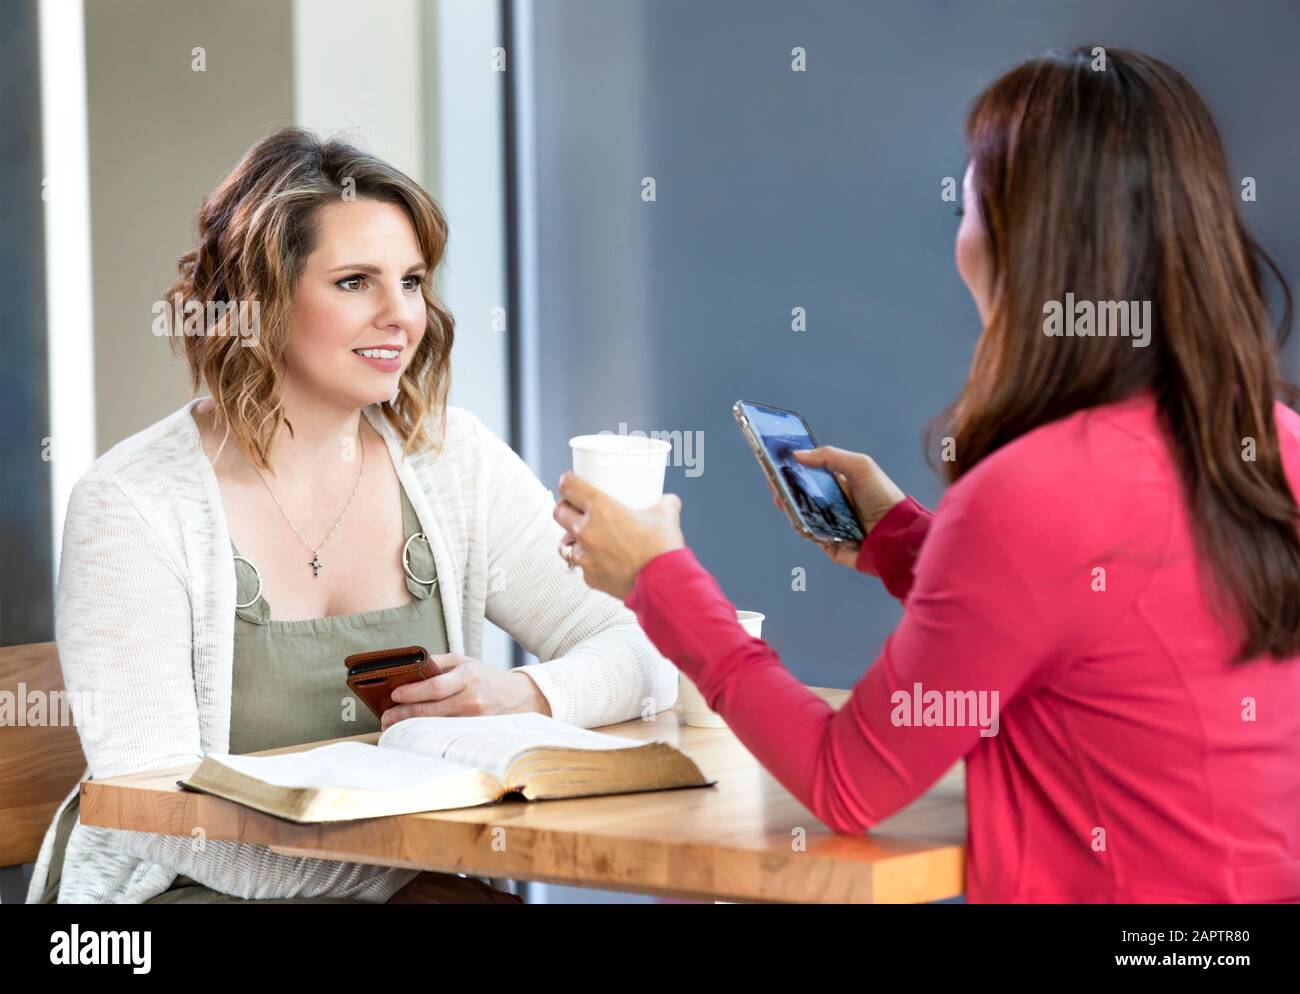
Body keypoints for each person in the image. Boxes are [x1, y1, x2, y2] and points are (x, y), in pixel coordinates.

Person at [553, 46, 1300, 902]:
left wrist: (660, 579)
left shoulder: (1033, 492)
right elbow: (1095, 626)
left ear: (1021, 239)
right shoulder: (1274, 441)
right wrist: (905, 540)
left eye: (966, 202)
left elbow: (846, 782)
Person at [29, 128, 677, 904]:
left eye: (411, 281)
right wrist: (406, 875)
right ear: (259, 299)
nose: (400, 315)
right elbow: (156, 812)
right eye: (354, 283)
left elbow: (643, 649)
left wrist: (526, 695)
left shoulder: (452, 462)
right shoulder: (133, 503)